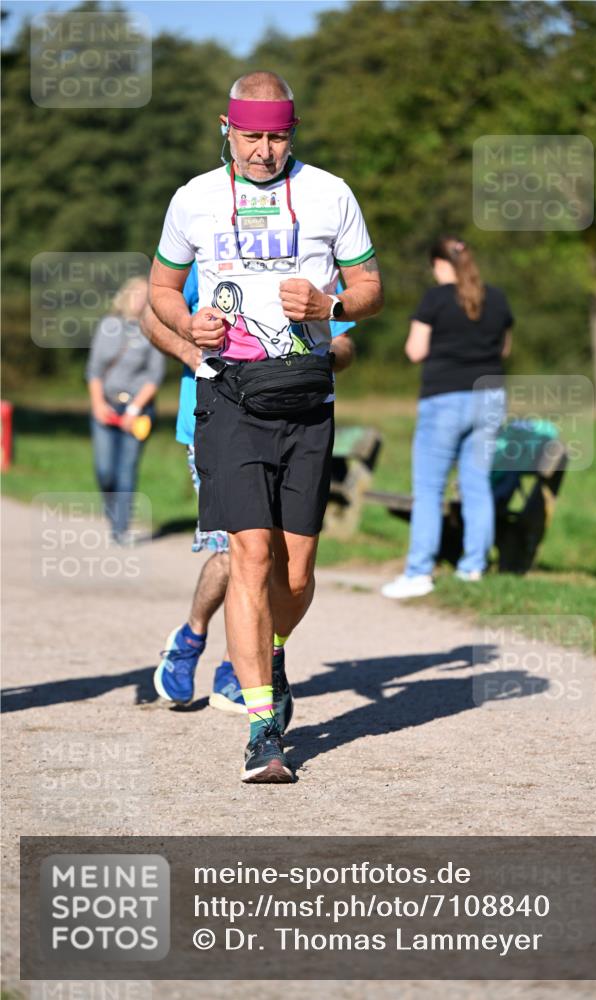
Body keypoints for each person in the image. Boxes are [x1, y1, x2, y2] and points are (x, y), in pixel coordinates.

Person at [149, 72, 382, 783]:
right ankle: (261, 729)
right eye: (251, 135)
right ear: (227, 127)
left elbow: (370, 289)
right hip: (229, 398)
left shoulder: (329, 193)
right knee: (248, 555)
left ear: (293, 129)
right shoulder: (193, 198)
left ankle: (272, 651)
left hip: (306, 398)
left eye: (276, 135)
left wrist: (329, 303)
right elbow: (159, 287)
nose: (263, 150)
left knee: (298, 569)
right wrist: (187, 324)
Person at [142, 264, 357, 714]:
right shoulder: (215, 244)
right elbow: (151, 315)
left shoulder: (313, 259)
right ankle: (191, 636)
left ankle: (238, 666)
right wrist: (195, 350)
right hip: (219, 418)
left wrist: (306, 361)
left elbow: (345, 341)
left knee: (280, 561)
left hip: (296, 417)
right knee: (238, 552)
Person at [381, 236, 512, 599]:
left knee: (428, 489)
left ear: (438, 263)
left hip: (445, 400)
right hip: (490, 398)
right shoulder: (496, 297)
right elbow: (504, 347)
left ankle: (419, 572)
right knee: (476, 485)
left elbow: (415, 350)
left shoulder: (435, 299)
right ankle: (473, 568)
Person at [86, 276, 165, 543]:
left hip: (138, 410)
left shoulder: (153, 330)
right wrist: (97, 403)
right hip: (105, 407)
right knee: (104, 469)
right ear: (125, 295)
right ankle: (111, 512)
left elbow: (155, 377)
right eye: (136, 293)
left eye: (146, 295)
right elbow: (94, 370)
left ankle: (120, 529)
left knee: (126, 469)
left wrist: (134, 409)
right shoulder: (108, 325)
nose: (140, 299)